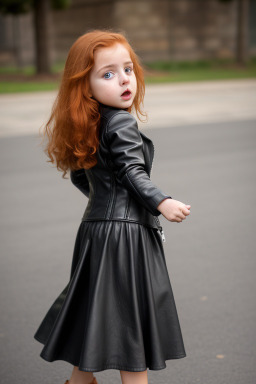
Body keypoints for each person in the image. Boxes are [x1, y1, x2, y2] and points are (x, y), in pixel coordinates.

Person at [34, 30, 191, 384]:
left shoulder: (89, 122)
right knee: (129, 326)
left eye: (128, 69)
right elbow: (131, 171)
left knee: (97, 314)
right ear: (84, 86)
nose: (124, 80)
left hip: (95, 231)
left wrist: (104, 204)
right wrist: (161, 202)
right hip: (125, 237)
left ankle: (80, 381)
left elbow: (81, 178)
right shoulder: (121, 121)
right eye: (108, 74)